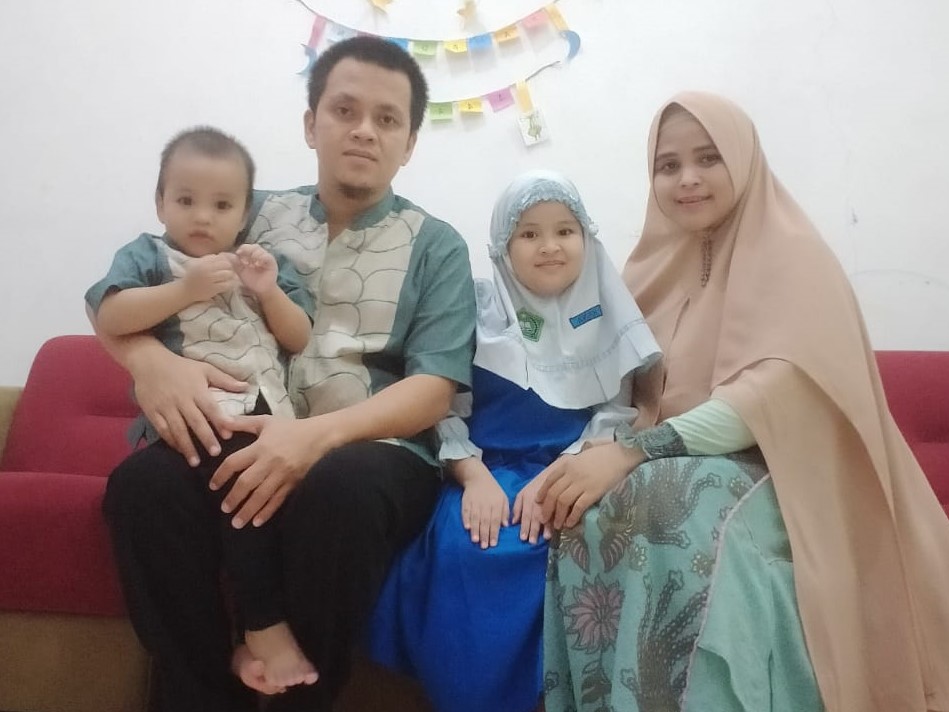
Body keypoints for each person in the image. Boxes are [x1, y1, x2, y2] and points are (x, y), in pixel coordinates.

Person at [95, 36, 476, 712]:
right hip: (239, 417)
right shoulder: (245, 211)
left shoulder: (437, 245)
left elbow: (433, 389)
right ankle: (201, 697)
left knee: (341, 488)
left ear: (410, 143)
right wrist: (151, 364)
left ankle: (303, 701)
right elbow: (123, 298)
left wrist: (312, 438)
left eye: (387, 119)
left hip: (372, 448)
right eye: (345, 110)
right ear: (310, 123)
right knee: (142, 488)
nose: (364, 130)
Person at [537, 92, 949, 712]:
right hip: (665, 460)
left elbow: (768, 397)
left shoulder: (795, 256)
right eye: (668, 165)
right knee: (581, 508)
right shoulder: (643, 272)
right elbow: (613, 388)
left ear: (744, 159)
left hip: (792, 471)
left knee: (670, 500)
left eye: (709, 158)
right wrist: (586, 456)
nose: (687, 178)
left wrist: (631, 453)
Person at [367, 170, 661, 712]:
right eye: (528, 234)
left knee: (568, 543)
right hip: (483, 469)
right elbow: (444, 409)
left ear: (586, 236)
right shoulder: (478, 310)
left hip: (572, 469)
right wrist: (473, 477)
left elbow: (614, 414)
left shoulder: (607, 311)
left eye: (565, 231)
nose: (549, 246)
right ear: (503, 244)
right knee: (467, 546)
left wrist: (560, 475)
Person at [87, 125, 321, 691]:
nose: (201, 216)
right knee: (139, 487)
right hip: (185, 421)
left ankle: (249, 635)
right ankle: (260, 624)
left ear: (243, 215)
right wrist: (183, 290)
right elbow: (110, 315)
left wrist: (269, 292)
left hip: (262, 417)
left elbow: (299, 337)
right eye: (185, 199)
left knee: (247, 468)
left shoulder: (259, 263)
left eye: (221, 205)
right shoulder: (148, 255)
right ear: (160, 203)